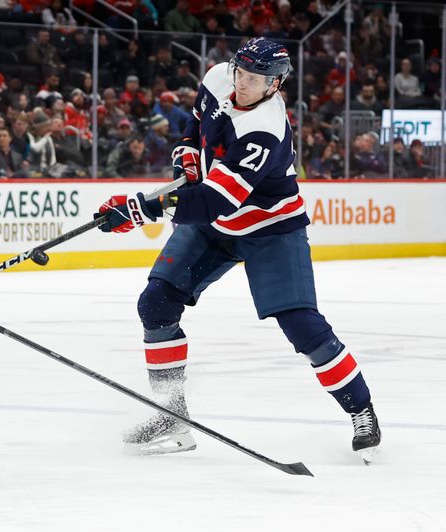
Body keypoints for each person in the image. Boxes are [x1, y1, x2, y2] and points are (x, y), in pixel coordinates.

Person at [94, 38, 380, 462]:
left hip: (270, 228)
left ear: (275, 84)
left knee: (302, 325)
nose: (243, 84)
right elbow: (196, 124)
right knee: (156, 303)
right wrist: (186, 157)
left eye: (255, 79)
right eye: (240, 73)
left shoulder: (264, 127)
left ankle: (362, 410)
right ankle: (172, 415)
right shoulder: (217, 78)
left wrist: (141, 208)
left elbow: (214, 201)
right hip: (217, 224)